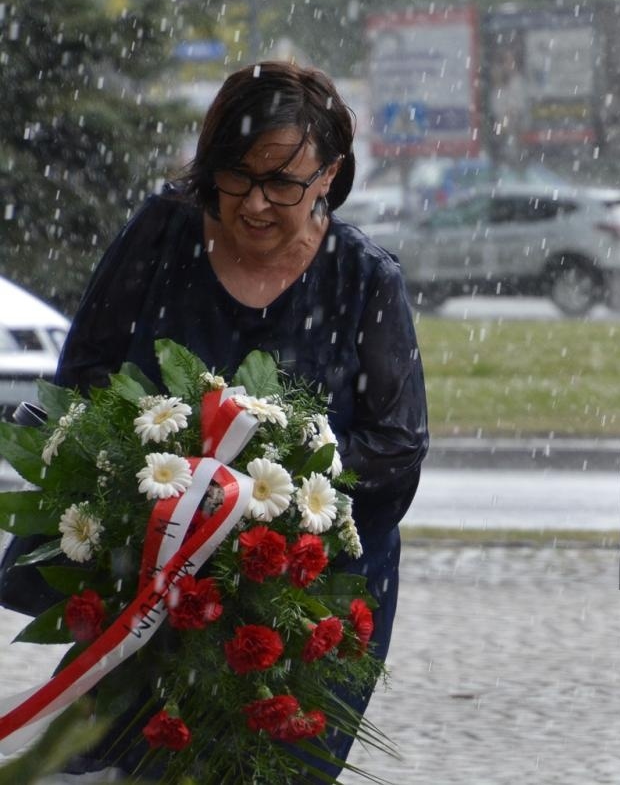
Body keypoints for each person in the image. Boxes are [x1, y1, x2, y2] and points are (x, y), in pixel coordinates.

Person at [3, 60, 428, 776]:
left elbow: (396, 446)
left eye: (283, 183)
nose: (255, 204)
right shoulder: (164, 234)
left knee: (269, 764)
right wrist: (145, 488)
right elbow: (83, 379)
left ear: (330, 174)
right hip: (142, 579)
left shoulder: (366, 280)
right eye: (235, 175)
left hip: (300, 596)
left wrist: (278, 498)